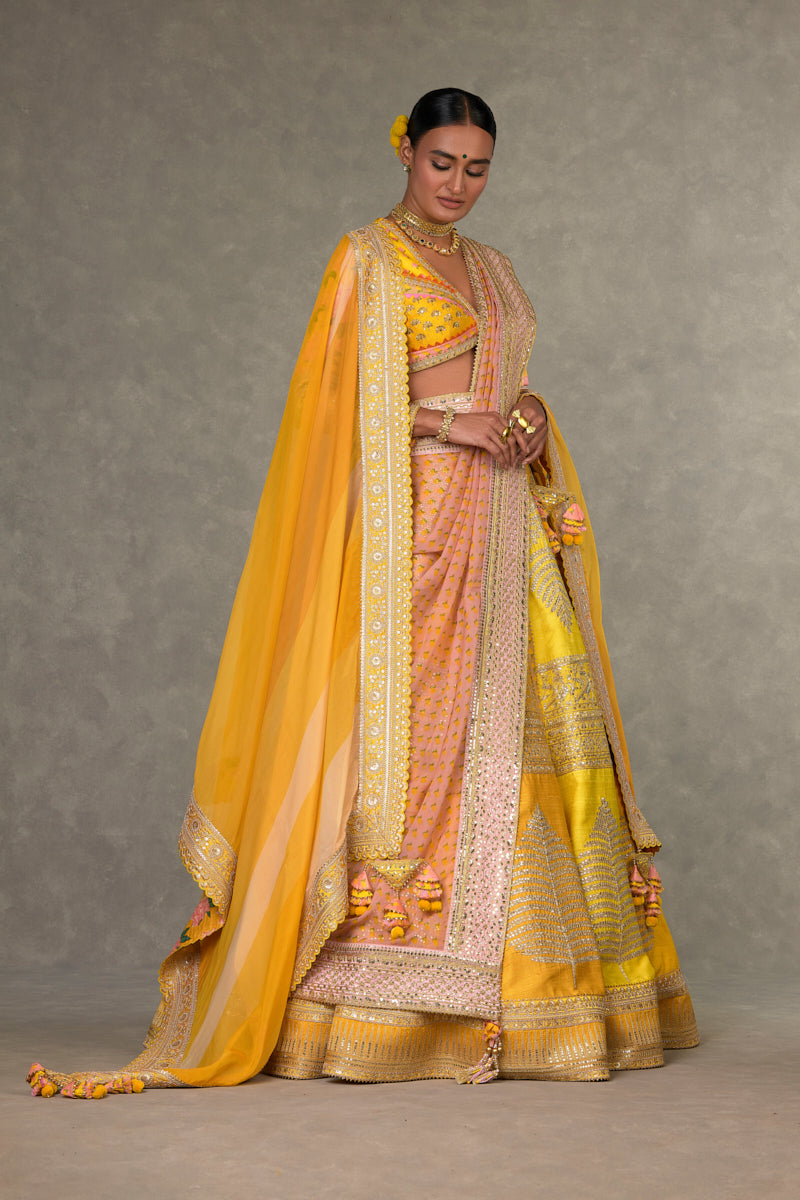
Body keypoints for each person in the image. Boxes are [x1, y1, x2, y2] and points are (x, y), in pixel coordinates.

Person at [28, 87, 698, 1100]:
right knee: (414, 742)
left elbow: (505, 382)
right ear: (406, 153)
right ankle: (384, 1007)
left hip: (506, 527)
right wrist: (448, 425)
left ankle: (535, 1002)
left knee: (533, 734)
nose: (458, 184)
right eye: (442, 162)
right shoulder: (366, 260)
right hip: (414, 533)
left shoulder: (495, 267)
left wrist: (523, 413)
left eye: (477, 167)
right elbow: (329, 410)